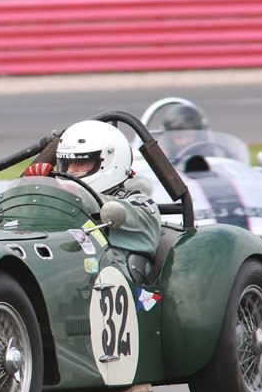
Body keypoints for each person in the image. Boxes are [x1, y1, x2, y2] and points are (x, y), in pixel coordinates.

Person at [22, 119, 162, 281]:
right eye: (66, 164)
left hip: (109, 281)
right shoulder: (60, 199)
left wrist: (66, 190)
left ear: (110, 163)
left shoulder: (141, 204)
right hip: (58, 274)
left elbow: (130, 216)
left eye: (81, 162)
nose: (71, 171)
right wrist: (31, 190)